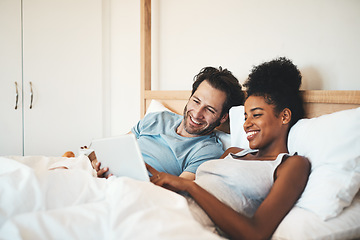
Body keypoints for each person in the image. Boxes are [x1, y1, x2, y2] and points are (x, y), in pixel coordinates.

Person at [146, 57, 311, 239]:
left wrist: (189, 187)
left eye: (256, 115)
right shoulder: (232, 153)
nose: (247, 124)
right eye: (245, 116)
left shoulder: (292, 165)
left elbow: (255, 233)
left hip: (188, 228)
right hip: (164, 209)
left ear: (285, 116)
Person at [91, 66, 244, 180]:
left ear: (223, 117)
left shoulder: (207, 151)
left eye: (209, 110)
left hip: (137, 190)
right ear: (190, 98)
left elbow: (179, 188)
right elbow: (115, 148)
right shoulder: (157, 118)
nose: (197, 114)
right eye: (196, 101)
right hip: (107, 179)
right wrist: (99, 165)